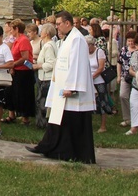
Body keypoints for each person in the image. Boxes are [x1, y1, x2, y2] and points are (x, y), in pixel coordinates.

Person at [28, 11, 95, 163]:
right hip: (62, 87)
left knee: (72, 122)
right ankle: (51, 147)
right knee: (59, 120)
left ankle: (70, 152)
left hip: (71, 92)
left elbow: (78, 64)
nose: (56, 27)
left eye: (58, 24)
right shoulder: (67, 39)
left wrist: (72, 87)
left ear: (67, 23)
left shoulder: (77, 39)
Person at [4, 20, 35, 125]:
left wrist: (13, 64)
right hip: (16, 70)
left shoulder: (23, 40)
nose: (10, 31)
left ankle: (25, 118)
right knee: (10, 92)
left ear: (16, 29)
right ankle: (11, 114)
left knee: (23, 94)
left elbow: (25, 57)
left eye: (12, 29)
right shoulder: (16, 40)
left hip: (24, 72)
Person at [32, 23, 57, 129]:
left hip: (46, 78)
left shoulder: (48, 46)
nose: (40, 33)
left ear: (46, 33)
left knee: (42, 101)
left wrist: (38, 66)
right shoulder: (48, 44)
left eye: (41, 31)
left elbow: (51, 63)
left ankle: (43, 124)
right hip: (44, 76)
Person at [86, 35, 111, 133]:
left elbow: (100, 68)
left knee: (102, 102)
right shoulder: (85, 53)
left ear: (92, 45)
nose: (87, 48)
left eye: (88, 46)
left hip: (98, 81)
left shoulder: (99, 52)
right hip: (88, 81)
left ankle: (103, 126)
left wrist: (92, 77)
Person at [117, 31, 137, 128]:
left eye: (132, 41)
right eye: (129, 41)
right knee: (123, 95)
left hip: (136, 78)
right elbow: (119, 62)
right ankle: (127, 118)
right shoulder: (124, 49)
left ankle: (136, 119)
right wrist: (118, 76)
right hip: (125, 76)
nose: (130, 43)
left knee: (136, 100)